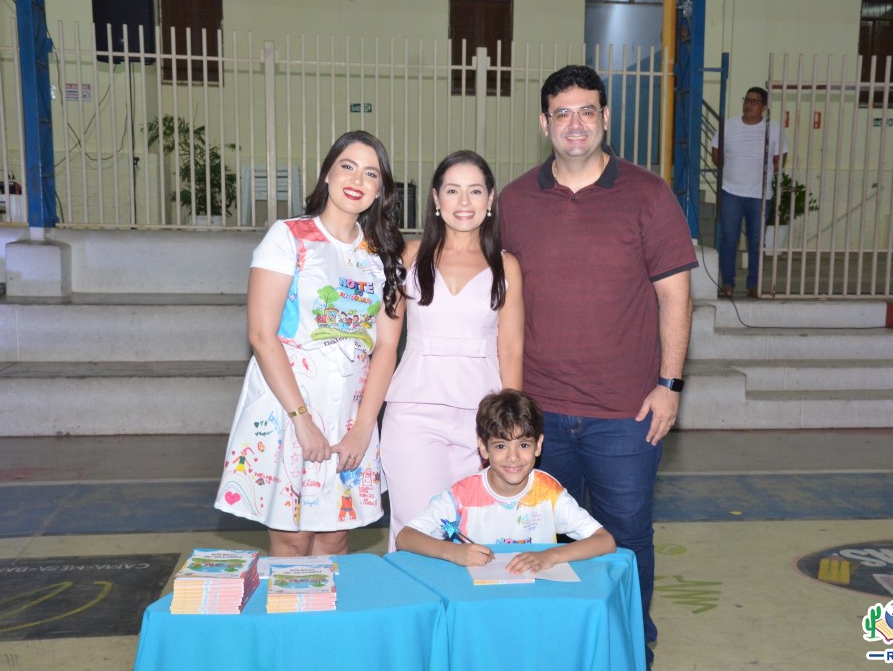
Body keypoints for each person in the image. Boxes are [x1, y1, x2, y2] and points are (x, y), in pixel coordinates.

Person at [497, 64, 697, 661]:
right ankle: (569, 647)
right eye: (562, 113)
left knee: (626, 538)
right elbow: (487, 287)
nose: (575, 124)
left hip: (626, 415)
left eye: (587, 111)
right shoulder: (515, 201)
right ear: (544, 123)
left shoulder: (648, 194)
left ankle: (631, 648)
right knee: (549, 539)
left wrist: (669, 385)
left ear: (606, 118)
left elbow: (676, 296)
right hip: (540, 416)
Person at [214, 131, 406, 557]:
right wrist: (301, 419)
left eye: (370, 173)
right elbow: (261, 335)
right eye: (347, 167)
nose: (357, 179)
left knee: (336, 536)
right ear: (327, 174)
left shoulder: (385, 256)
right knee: (293, 537)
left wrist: (362, 430)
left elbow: (386, 348)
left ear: (380, 190)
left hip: (349, 414)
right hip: (289, 407)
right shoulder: (289, 237)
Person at [381, 150, 524, 551]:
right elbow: (386, 345)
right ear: (436, 198)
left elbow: (511, 349)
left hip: (482, 418)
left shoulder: (506, 266)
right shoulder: (410, 256)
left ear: (490, 199)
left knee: (478, 534)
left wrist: (512, 428)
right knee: (418, 531)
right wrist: (361, 424)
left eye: (475, 191)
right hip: (413, 414)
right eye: (453, 190)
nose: (464, 202)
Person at [396, 389, 615, 574]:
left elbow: (605, 541)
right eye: (501, 446)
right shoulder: (462, 496)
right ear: (483, 448)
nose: (513, 457)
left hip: (533, 595)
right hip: (477, 596)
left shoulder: (548, 493)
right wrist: (453, 552)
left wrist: (550, 556)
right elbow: (405, 538)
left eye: (523, 445)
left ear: (538, 445)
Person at [710, 86, 788, 298]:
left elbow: (780, 158)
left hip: (759, 195)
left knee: (756, 241)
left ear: (764, 106)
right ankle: (728, 284)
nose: (748, 104)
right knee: (728, 238)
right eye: (747, 100)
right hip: (731, 191)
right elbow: (716, 153)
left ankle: (754, 284)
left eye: (754, 101)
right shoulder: (729, 126)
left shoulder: (774, 130)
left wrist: (764, 172)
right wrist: (732, 169)